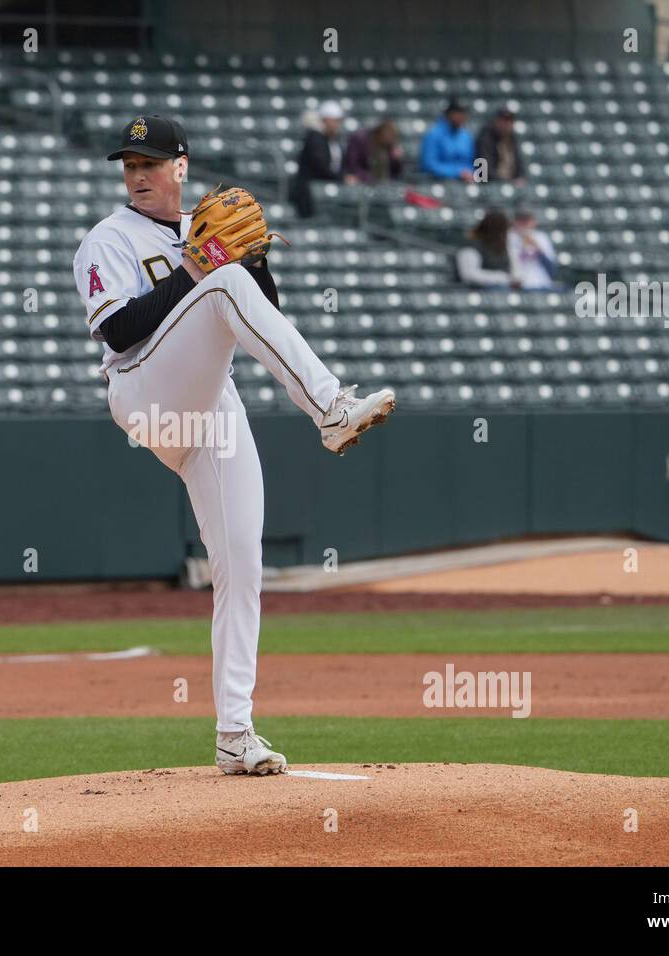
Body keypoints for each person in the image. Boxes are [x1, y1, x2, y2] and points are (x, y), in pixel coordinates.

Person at [73, 114, 396, 775]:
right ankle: (331, 408)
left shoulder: (206, 233)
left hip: (210, 406)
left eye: (151, 163)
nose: (137, 174)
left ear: (181, 168)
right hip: (145, 392)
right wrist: (203, 265)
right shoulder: (106, 240)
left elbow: (259, 305)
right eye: (129, 164)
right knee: (219, 283)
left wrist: (254, 260)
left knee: (241, 566)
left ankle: (235, 734)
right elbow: (120, 331)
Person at [289, 101, 350, 217]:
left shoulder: (331, 139)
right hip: (309, 193)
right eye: (335, 120)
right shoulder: (315, 137)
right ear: (325, 120)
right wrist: (341, 178)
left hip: (321, 189)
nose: (337, 125)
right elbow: (320, 165)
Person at [456, 209, 521, 288]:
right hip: (477, 291)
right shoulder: (471, 246)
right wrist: (500, 277)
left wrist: (515, 278)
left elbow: (515, 271)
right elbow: (468, 274)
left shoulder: (504, 246)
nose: (507, 233)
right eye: (504, 230)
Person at [419, 99, 475, 182]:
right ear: (448, 114)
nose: (462, 116)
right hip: (438, 181)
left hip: (465, 182)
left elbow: (471, 162)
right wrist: (457, 172)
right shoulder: (433, 134)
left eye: (463, 113)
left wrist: (469, 172)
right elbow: (429, 164)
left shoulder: (466, 136)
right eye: (458, 113)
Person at [507, 209, 559, 290]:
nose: (524, 223)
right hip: (518, 285)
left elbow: (552, 268)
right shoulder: (509, 237)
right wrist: (522, 247)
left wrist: (536, 246)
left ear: (533, 221)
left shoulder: (541, 237)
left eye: (527, 220)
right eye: (521, 220)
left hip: (541, 284)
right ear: (514, 222)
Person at [343, 118, 404, 183]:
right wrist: (368, 177)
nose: (390, 139)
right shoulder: (360, 139)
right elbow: (352, 165)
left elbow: (396, 172)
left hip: (383, 183)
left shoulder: (389, 146)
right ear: (380, 132)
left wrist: (397, 159)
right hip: (363, 181)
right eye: (388, 134)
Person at [475, 107, 526, 185]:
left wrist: (519, 177)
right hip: (492, 183)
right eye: (503, 121)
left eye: (509, 121)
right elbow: (485, 171)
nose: (506, 124)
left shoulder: (512, 139)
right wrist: (508, 181)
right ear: (496, 121)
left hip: (510, 183)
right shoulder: (486, 138)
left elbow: (519, 165)